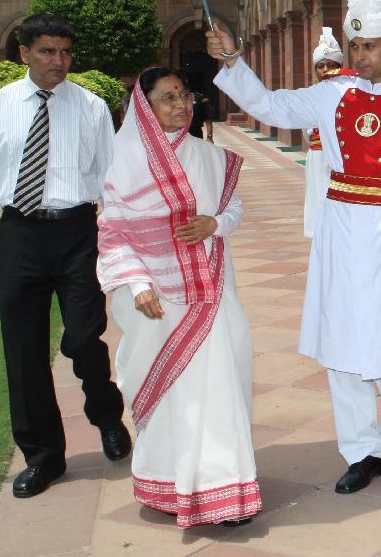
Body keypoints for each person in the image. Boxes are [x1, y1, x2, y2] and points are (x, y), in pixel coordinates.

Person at [206, 0, 381, 494]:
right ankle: (361, 449)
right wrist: (232, 60)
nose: (360, 56)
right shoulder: (330, 94)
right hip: (341, 231)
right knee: (344, 338)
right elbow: (270, 105)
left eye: (370, 47)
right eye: (355, 45)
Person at [97, 68, 260, 528]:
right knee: (172, 393)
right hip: (155, 300)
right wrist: (138, 284)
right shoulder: (121, 159)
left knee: (220, 382)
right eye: (168, 98)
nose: (181, 105)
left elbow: (232, 207)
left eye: (185, 95)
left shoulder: (208, 156)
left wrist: (215, 224)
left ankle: (224, 488)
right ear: (144, 106)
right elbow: (113, 233)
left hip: (211, 290)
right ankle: (168, 482)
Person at [0, 13, 130, 499]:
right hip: (19, 234)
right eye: (47, 51)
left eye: (65, 52)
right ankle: (43, 456)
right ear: (24, 53)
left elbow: (110, 177)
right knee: (23, 350)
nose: (58, 61)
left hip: (76, 233)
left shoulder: (90, 107)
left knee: (85, 336)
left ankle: (106, 415)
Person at [303, 27, 344, 238]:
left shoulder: (349, 93)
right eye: (321, 65)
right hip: (317, 158)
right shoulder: (310, 94)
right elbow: (306, 133)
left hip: (341, 159)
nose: (325, 69)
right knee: (318, 202)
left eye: (331, 65)